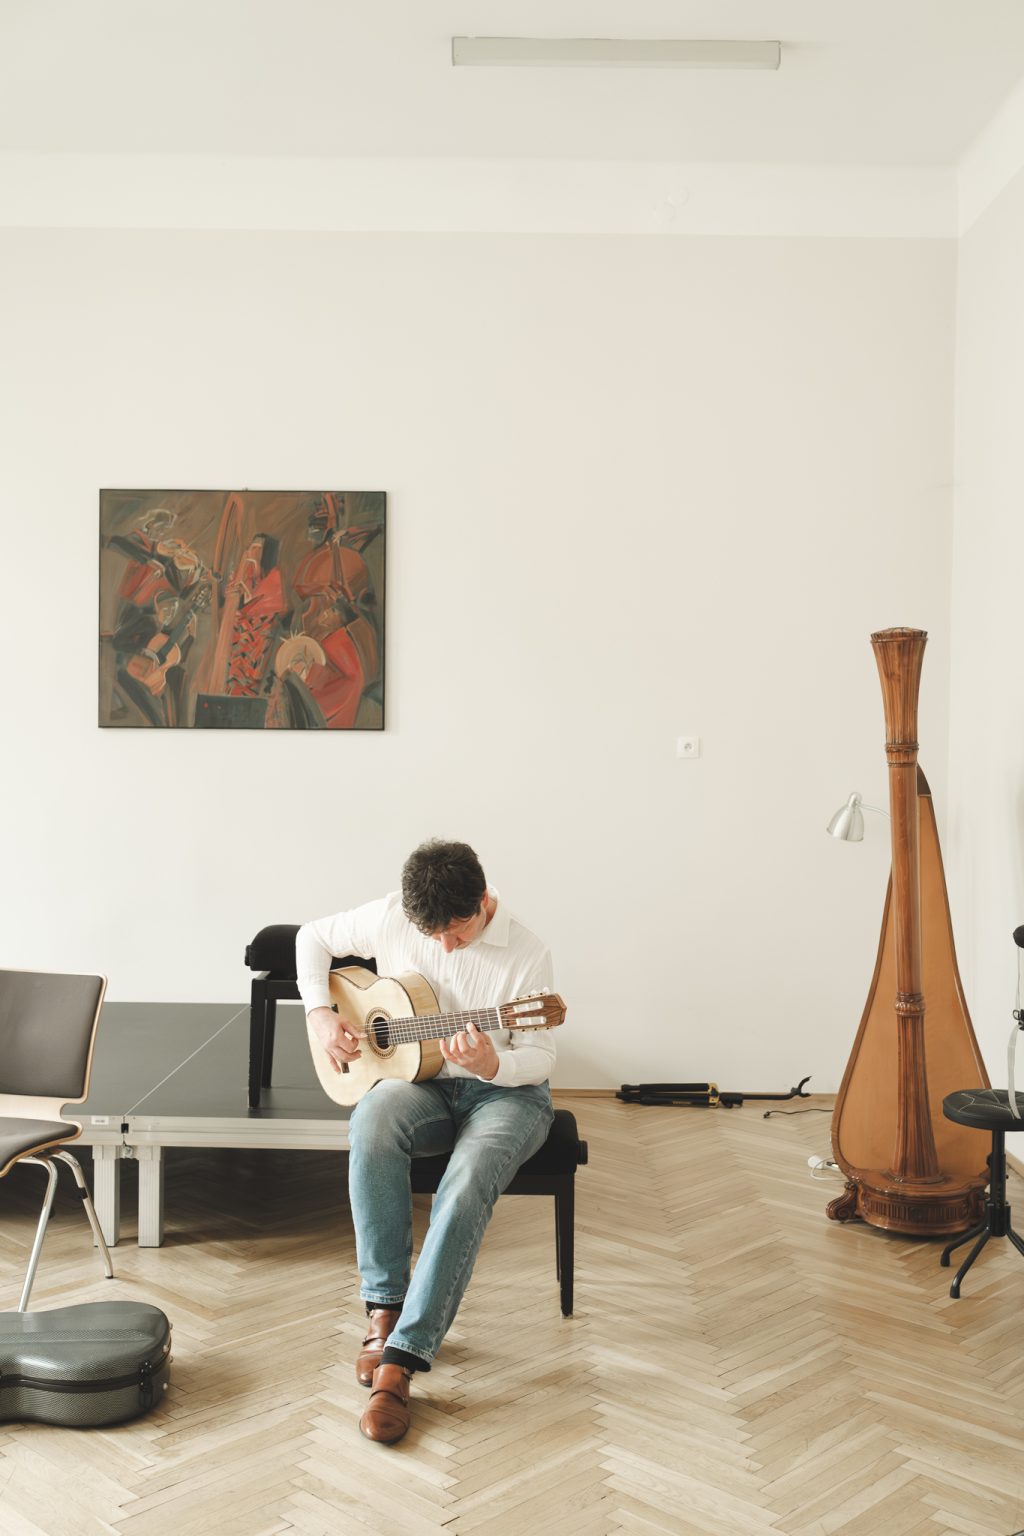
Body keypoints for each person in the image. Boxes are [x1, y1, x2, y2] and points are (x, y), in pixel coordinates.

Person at [296, 839, 556, 1445]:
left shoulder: (528, 953)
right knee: (371, 1121)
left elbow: (540, 1057)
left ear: (484, 900)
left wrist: (494, 1063)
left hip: (507, 1095)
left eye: (457, 932)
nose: (444, 947)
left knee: (465, 1185)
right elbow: (312, 936)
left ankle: (402, 1360)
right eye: (430, 935)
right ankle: (383, 1308)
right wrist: (319, 1012)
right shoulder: (390, 914)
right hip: (421, 1081)